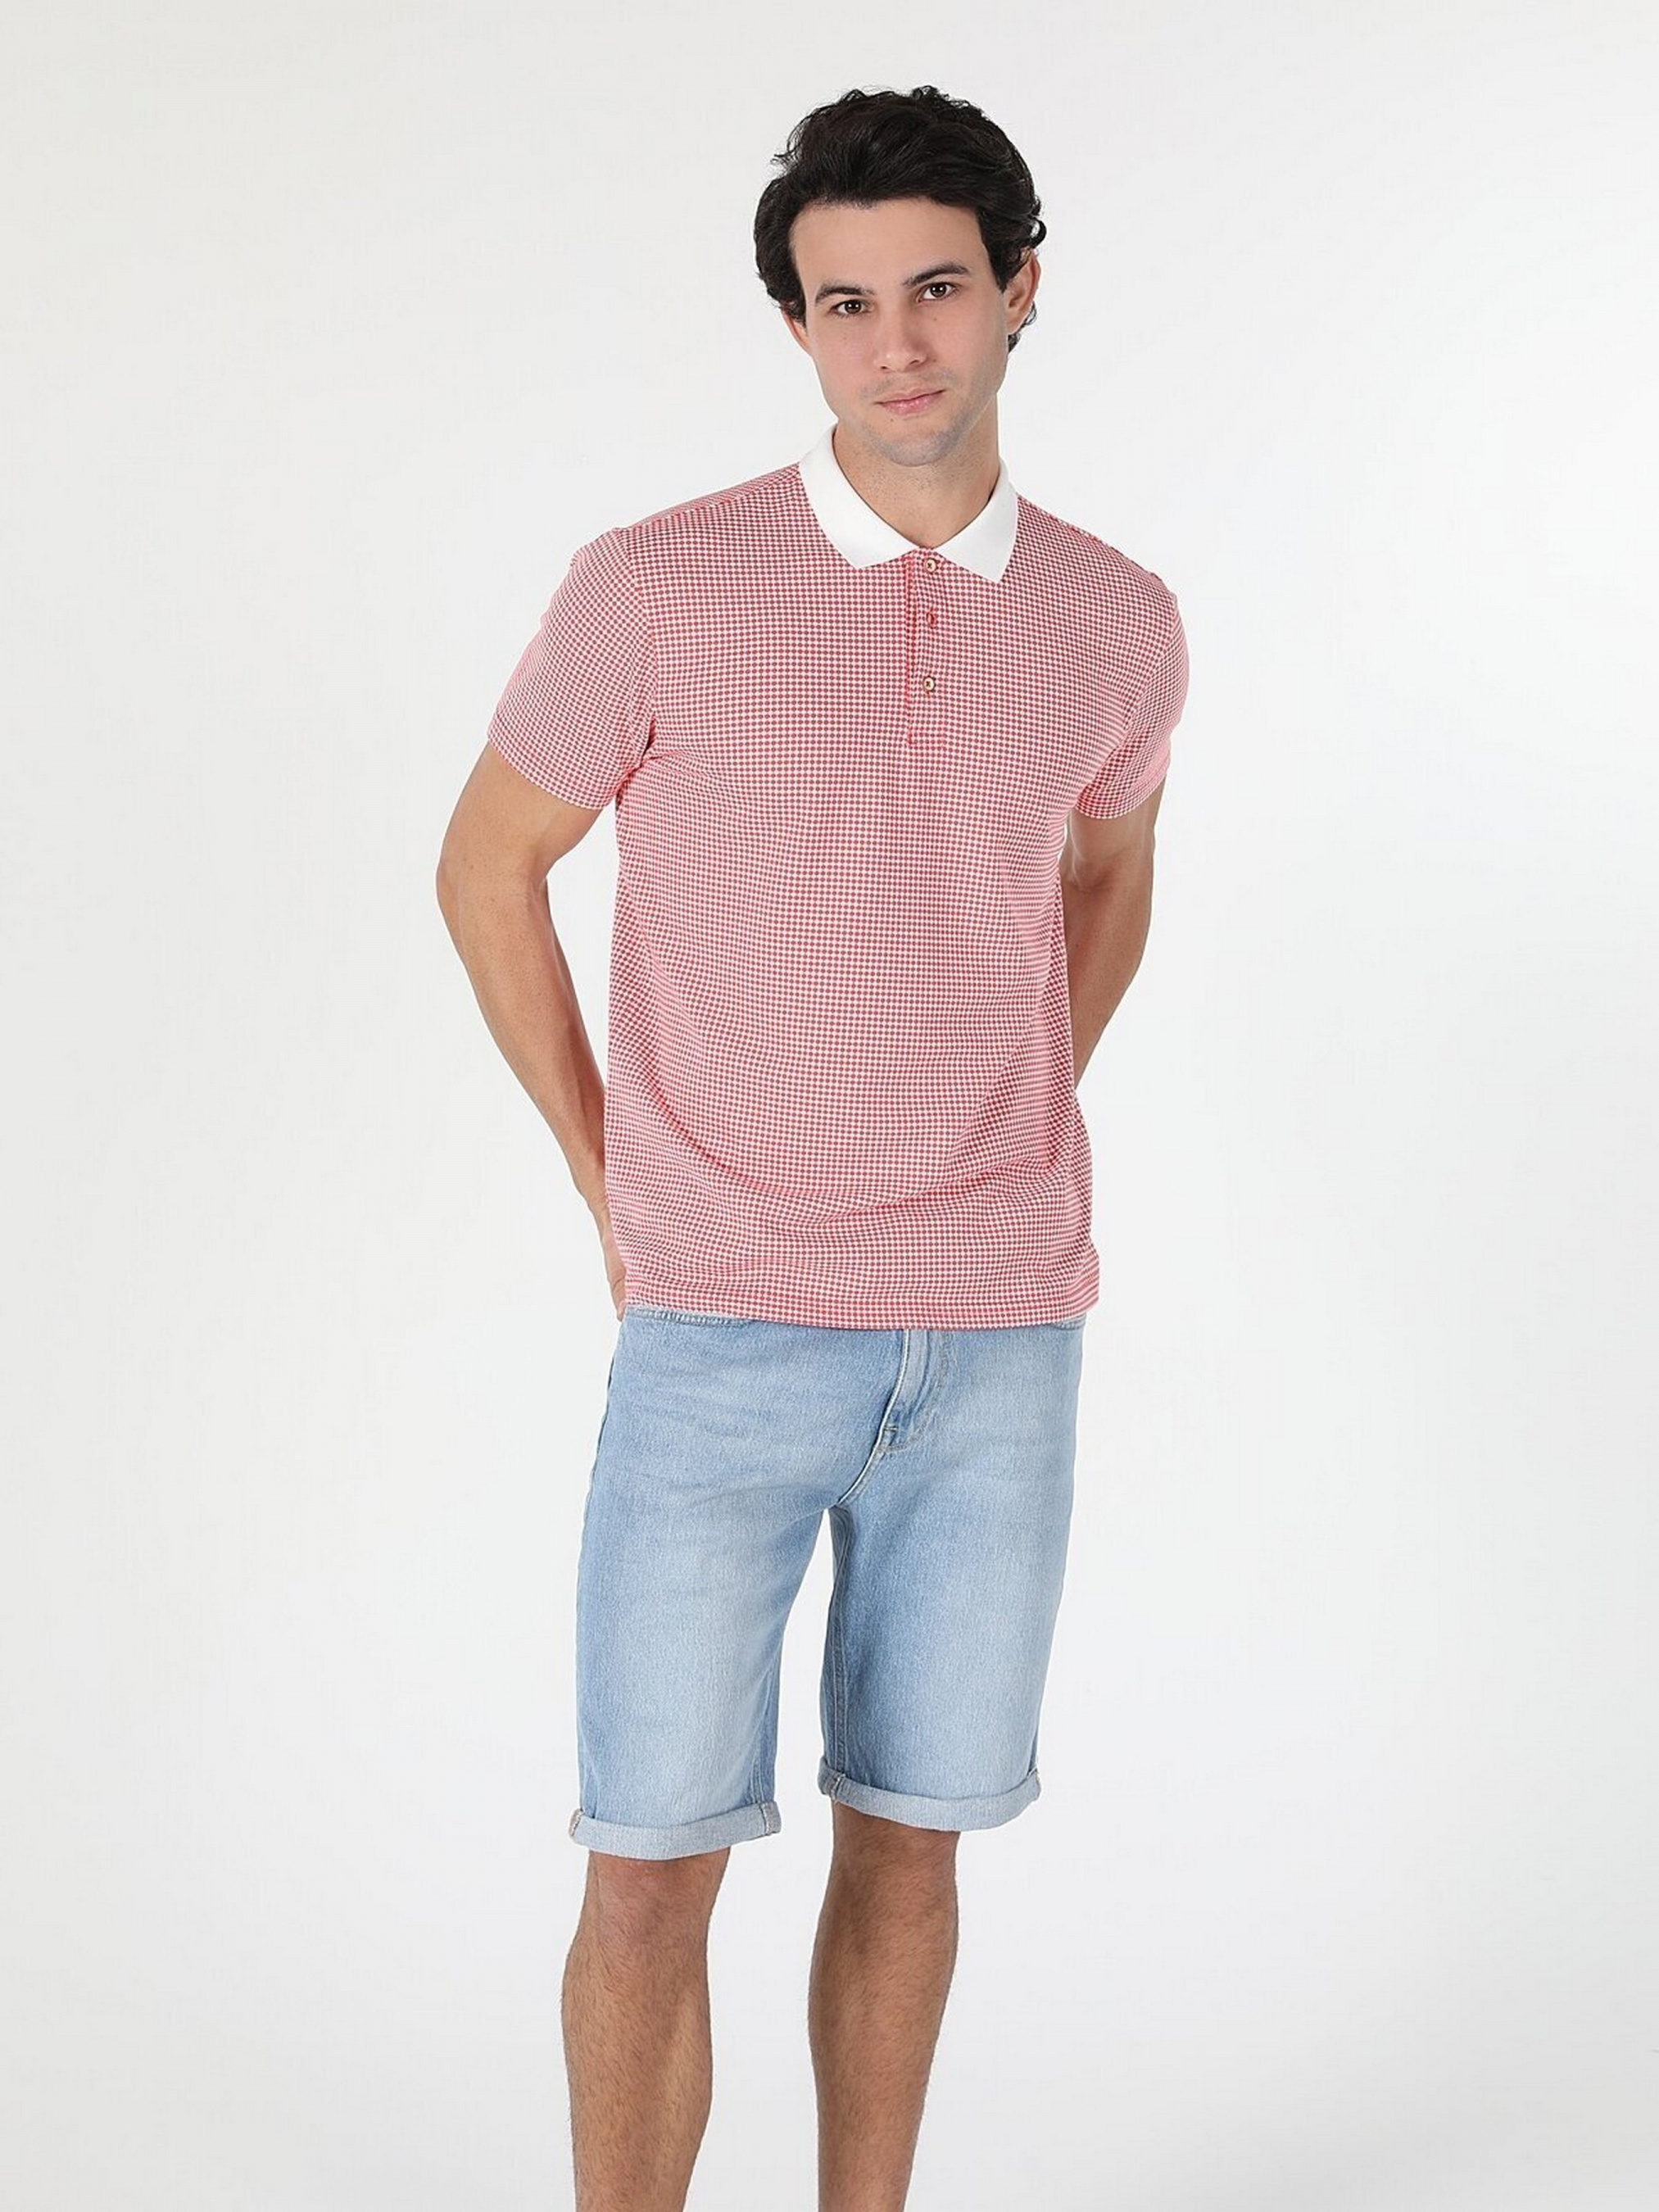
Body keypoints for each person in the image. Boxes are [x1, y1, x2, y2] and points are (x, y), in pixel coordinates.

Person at [437, 79, 1189, 2212]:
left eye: (936, 288)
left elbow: (1109, 873)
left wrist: (1009, 1097)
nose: (896, 345)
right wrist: (607, 1174)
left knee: (912, 1844)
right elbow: (488, 867)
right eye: (844, 304)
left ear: (1020, 290)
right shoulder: (658, 587)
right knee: (648, 1863)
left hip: (998, 1341)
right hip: (721, 1331)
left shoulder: (1117, 617)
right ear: (797, 326)